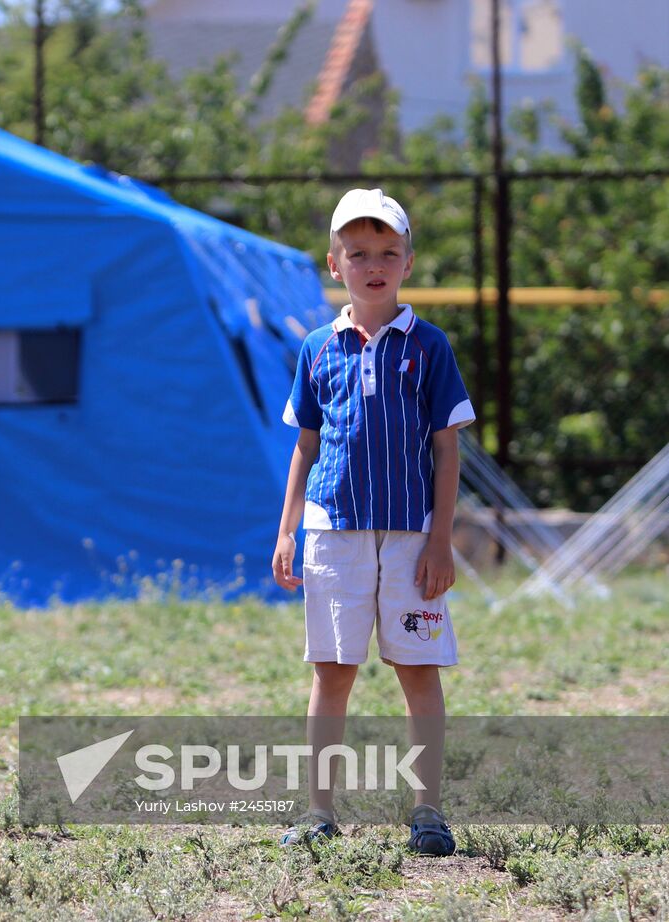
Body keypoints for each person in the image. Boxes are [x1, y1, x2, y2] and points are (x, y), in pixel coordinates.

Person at [271, 188, 475, 856]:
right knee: (332, 671)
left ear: (409, 262)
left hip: (413, 536)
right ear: (335, 264)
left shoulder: (429, 347)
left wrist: (441, 539)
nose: (373, 263)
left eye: (388, 250)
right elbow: (305, 444)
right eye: (358, 252)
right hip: (334, 534)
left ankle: (428, 811)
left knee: (418, 671)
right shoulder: (317, 349)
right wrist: (288, 530)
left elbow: (448, 448)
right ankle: (319, 810)